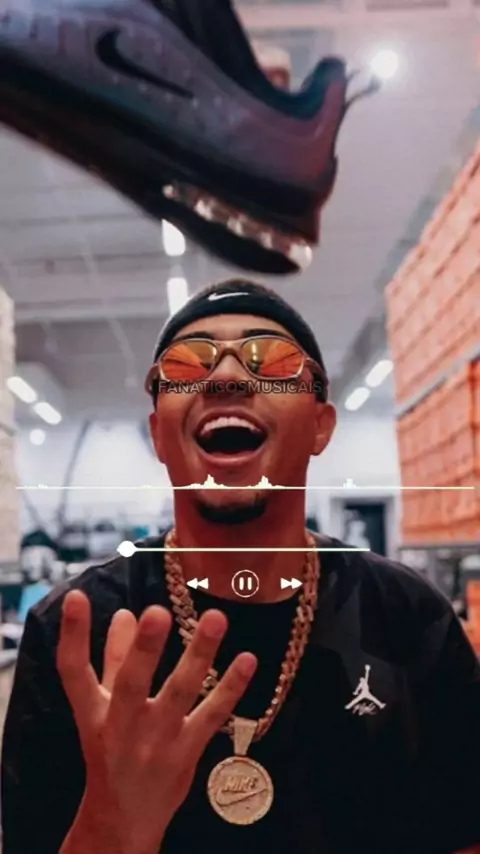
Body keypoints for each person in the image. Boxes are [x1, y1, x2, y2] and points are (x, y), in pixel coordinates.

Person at [2, 278, 480, 854]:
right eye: (186, 365)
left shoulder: (409, 618)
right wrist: (110, 823)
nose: (225, 377)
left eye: (270, 359)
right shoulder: (75, 634)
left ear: (321, 425)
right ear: (158, 435)